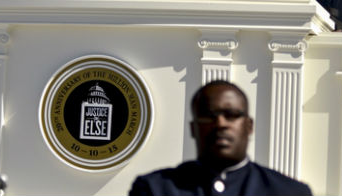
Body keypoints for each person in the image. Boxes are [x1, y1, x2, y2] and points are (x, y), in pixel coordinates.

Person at [129, 80, 312, 196]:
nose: (221, 123)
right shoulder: (155, 189)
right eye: (209, 116)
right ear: (194, 128)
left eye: (231, 115)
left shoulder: (288, 192)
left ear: (249, 126)